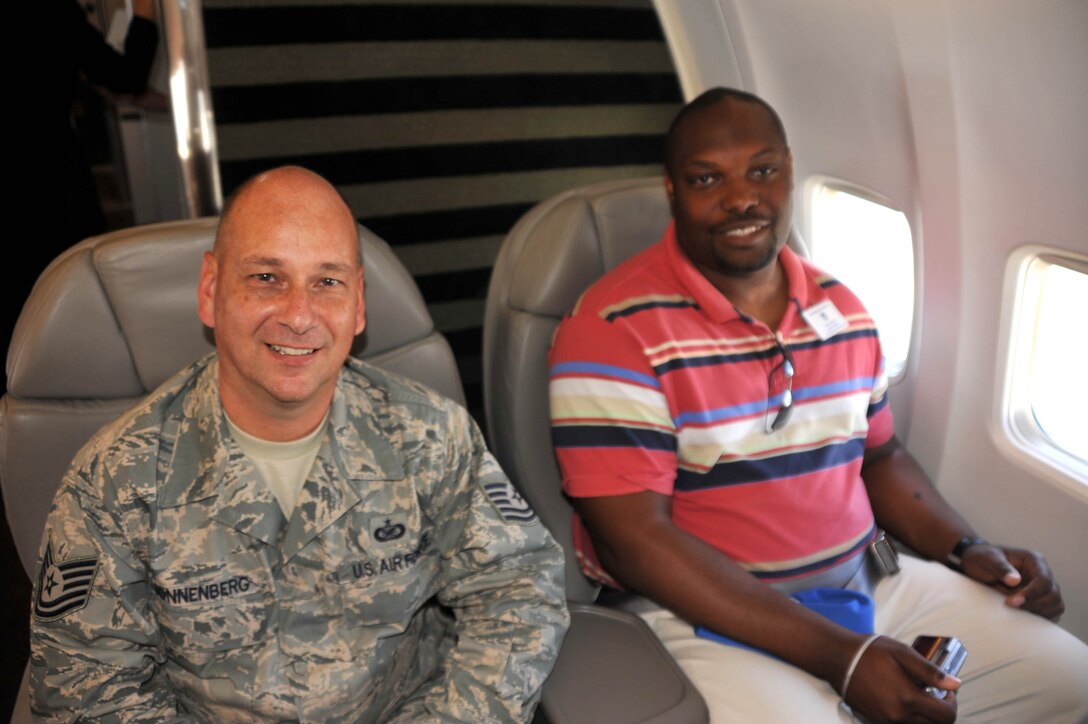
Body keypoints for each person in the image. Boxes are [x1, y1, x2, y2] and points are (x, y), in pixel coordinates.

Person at [548, 88, 1088, 723]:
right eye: (706, 179)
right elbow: (634, 543)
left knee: (1067, 680)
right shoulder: (612, 329)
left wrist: (968, 548)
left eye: (762, 170)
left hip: (871, 583)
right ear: (672, 190)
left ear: (790, 172)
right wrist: (846, 659)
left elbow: (880, 457)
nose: (741, 197)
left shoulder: (844, 309)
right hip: (706, 613)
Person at [30, 166, 568, 722]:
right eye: (266, 277)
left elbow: (519, 590)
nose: (298, 314)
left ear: (358, 303)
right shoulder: (115, 479)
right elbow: (85, 687)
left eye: (327, 282)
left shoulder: (429, 436)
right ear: (212, 290)